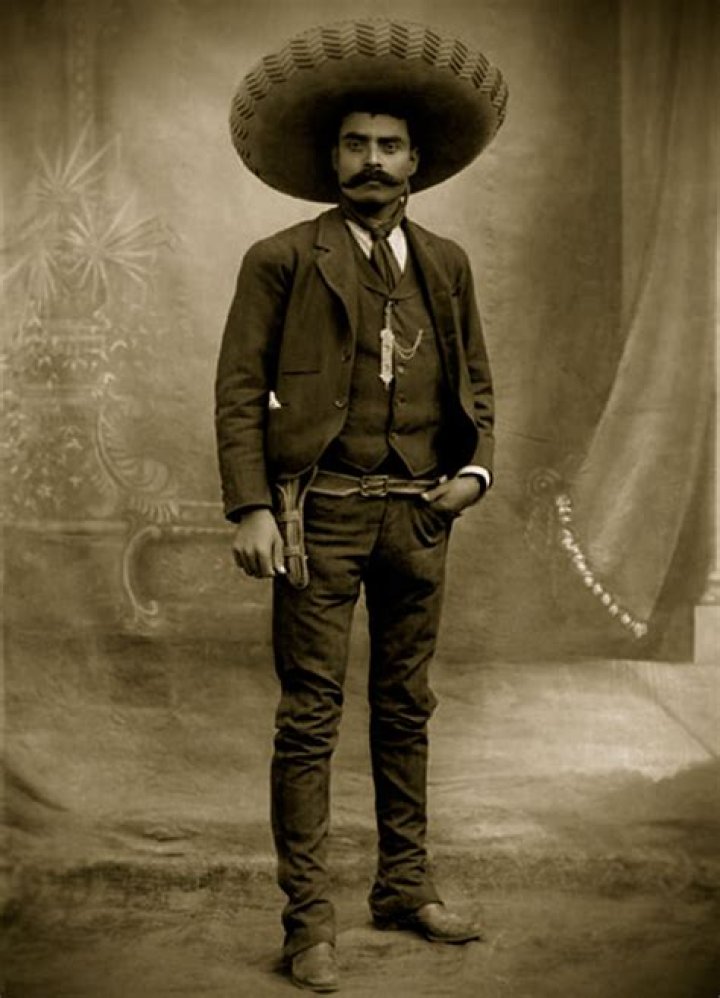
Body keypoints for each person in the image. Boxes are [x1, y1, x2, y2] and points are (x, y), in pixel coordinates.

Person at [215, 18, 507, 993]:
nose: (371, 160)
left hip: (420, 515)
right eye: (354, 144)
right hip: (320, 516)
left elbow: (477, 385)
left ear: (416, 161)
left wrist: (475, 473)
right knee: (309, 718)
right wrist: (251, 507)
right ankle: (309, 924)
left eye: (388, 145)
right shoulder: (280, 259)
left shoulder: (447, 264)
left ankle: (404, 884)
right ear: (331, 159)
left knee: (407, 705)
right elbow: (237, 390)